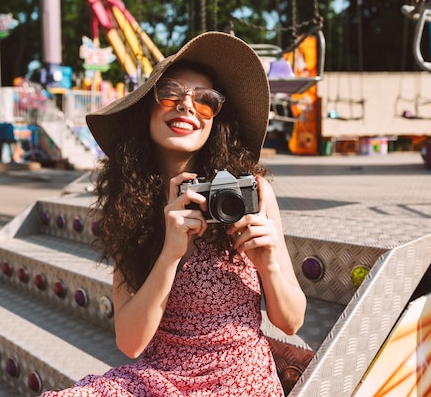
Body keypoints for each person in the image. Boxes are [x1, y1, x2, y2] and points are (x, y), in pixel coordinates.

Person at [40, 31, 307, 397]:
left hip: (239, 377)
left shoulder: (252, 191)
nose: (186, 106)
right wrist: (169, 254)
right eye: (170, 93)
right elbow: (131, 343)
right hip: (157, 377)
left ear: (216, 120)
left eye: (205, 101)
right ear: (147, 109)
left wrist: (270, 264)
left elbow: (291, 322)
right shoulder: (129, 206)